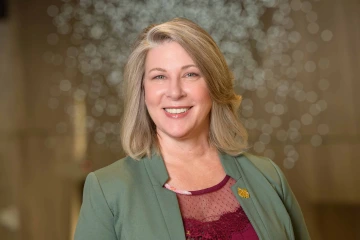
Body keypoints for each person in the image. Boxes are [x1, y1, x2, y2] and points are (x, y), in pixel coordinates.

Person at [74, 18, 310, 240]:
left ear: (214, 84)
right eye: (159, 77)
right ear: (142, 91)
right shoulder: (107, 189)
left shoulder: (268, 176)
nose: (175, 92)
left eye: (190, 74)